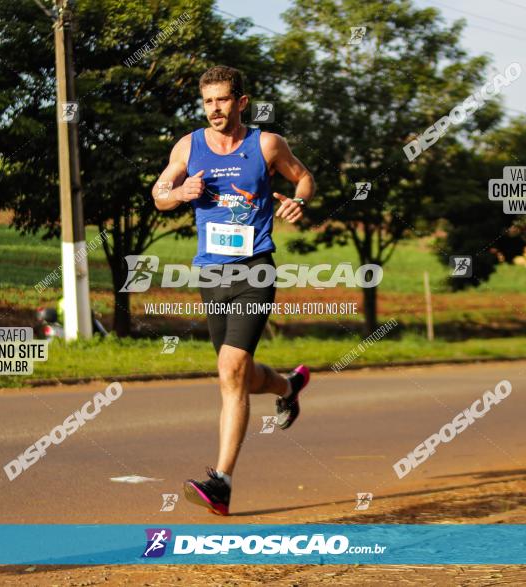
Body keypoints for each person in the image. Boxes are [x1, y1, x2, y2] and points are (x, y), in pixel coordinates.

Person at [152, 65, 315, 515]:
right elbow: (158, 192)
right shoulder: (189, 145)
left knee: (230, 369)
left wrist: (299, 200)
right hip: (211, 273)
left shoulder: (266, 144)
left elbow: (303, 177)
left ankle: (220, 482)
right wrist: (179, 191)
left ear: (241, 102)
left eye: (222, 100)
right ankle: (288, 386)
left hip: (254, 270)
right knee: (238, 372)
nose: (214, 109)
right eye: (207, 102)